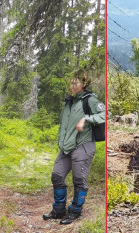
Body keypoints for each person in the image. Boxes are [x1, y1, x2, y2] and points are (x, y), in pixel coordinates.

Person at [43, 69, 105, 225]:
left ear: (83, 84)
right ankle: (58, 210)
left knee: (79, 180)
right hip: (66, 148)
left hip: (83, 146)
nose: (71, 86)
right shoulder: (68, 102)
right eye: (70, 83)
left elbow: (104, 114)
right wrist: (60, 141)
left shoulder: (89, 100)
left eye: (75, 82)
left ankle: (75, 211)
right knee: (57, 175)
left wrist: (86, 119)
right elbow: (64, 125)